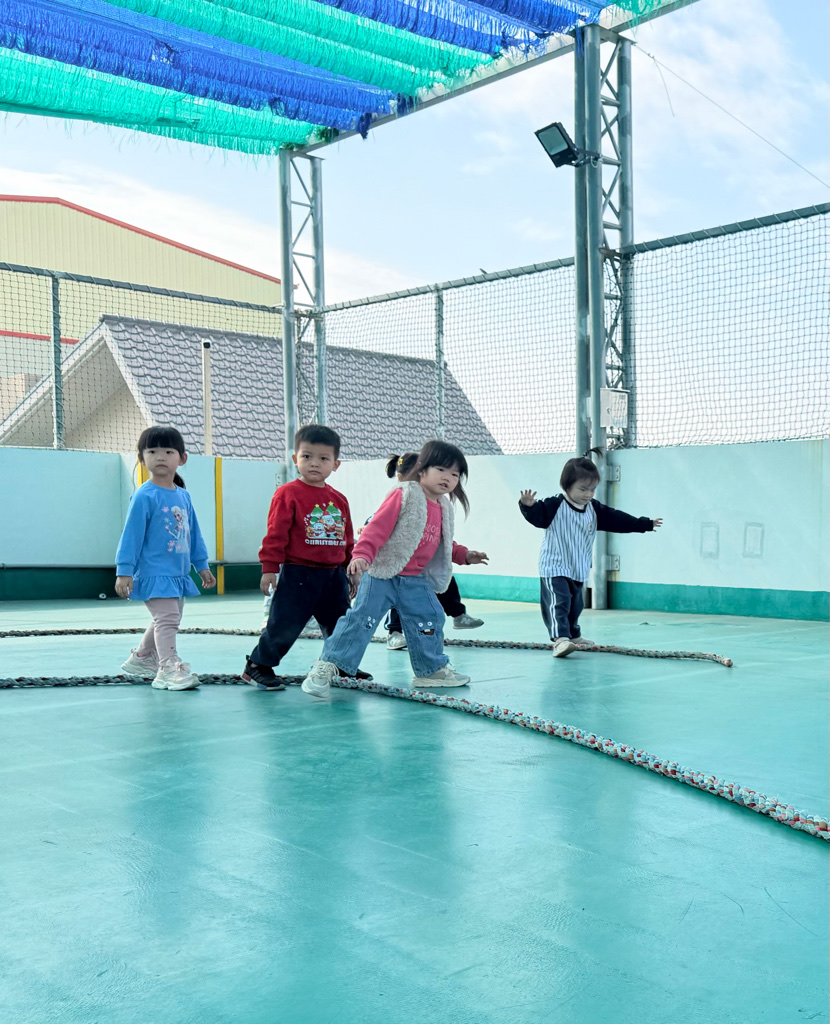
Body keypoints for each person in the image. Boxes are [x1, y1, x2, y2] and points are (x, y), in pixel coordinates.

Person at [301, 440, 489, 698]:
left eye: (455, 474)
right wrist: (362, 555)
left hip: (414, 579)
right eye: (441, 470)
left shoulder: (443, 506)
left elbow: (443, 542)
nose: (448, 478)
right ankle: (327, 666)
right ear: (422, 469)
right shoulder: (405, 494)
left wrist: (464, 555)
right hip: (383, 575)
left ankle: (430, 670)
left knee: (432, 616)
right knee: (361, 620)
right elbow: (376, 528)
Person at [241, 424, 370, 689]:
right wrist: (269, 567)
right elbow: (275, 533)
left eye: (323, 458)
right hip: (299, 573)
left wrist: (350, 569)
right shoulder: (287, 494)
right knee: (285, 623)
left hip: (334, 576)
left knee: (340, 624)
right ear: (295, 459)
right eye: (307, 456)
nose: (314, 463)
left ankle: (341, 664)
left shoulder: (339, 499)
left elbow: (346, 538)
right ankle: (257, 666)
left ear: (335, 464)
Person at [519, 449, 662, 657]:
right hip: (554, 566)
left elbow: (617, 519)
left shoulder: (593, 509)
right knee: (559, 602)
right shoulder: (554, 505)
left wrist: (644, 524)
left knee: (575, 604)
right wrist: (528, 506)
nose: (588, 494)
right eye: (583, 489)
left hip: (578, 566)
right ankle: (560, 639)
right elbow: (537, 517)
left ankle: (573, 635)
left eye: (592, 490)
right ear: (567, 486)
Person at [115, 426, 216, 690]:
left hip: (177, 573)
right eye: (152, 451)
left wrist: (201, 565)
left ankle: (142, 658)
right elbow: (131, 535)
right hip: (154, 572)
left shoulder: (183, 495)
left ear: (182, 458)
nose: (160, 457)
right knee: (168, 619)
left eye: (168, 451)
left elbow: (193, 533)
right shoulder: (144, 496)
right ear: (141, 458)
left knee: (168, 617)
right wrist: (124, 570)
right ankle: (168, 669)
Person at [381, 453, 484, 650]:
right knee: (398, 598)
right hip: (401, 567)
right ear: (401, 478)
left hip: (425, 564)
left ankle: (458, 615)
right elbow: (379, 525)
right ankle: (394, 633)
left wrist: (464, 555)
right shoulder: (398, 500)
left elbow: (445, 541)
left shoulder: (437, 507)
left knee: (445, 580)